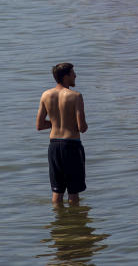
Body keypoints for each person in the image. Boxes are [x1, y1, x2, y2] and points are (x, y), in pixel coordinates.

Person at [36, 62, 88, 204]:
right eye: (73, 74)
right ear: (66, 77)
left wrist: (56, 123)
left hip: (54, 146)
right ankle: (74, 224)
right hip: (71, 146)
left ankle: (58, 222)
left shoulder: (46, 95)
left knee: (57, 191)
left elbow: (39, 125)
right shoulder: (75, 96)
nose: (75, 76)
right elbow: (82, 127)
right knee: (73, 192)